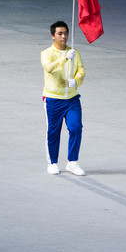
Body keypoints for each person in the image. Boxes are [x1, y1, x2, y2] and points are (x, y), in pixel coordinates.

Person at [42, 21, 86, 176]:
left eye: (65, 33)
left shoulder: (75, 53)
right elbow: (49, 68)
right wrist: (64, 58)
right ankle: (52, 162)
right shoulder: (46, 53)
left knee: (76, 128)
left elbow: (81, 70)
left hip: (72, 98)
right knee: (53, 132)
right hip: (53, 99)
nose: (63, 36)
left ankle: (72, 162)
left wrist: (77, 80)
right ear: (53, 36)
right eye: (60, 33)